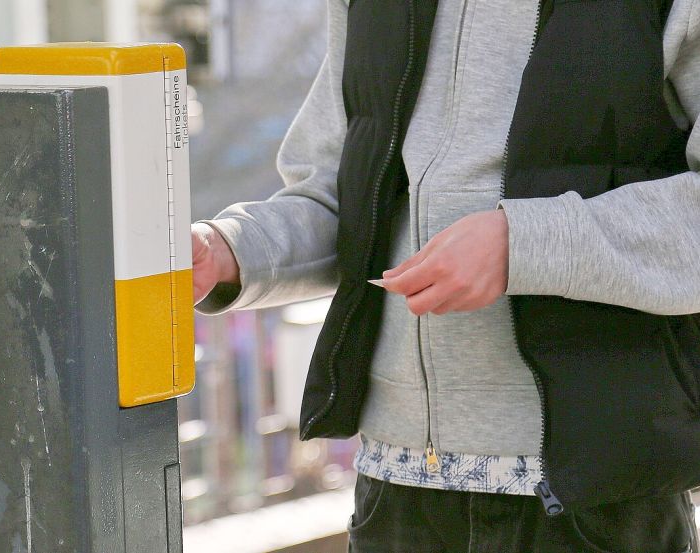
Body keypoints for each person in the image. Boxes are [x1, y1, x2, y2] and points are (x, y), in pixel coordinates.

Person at [191, 0, 700, 550]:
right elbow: (347, 202)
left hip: (594, 496)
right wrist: (231, 250)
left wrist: (520, 243)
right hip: (397, 484)